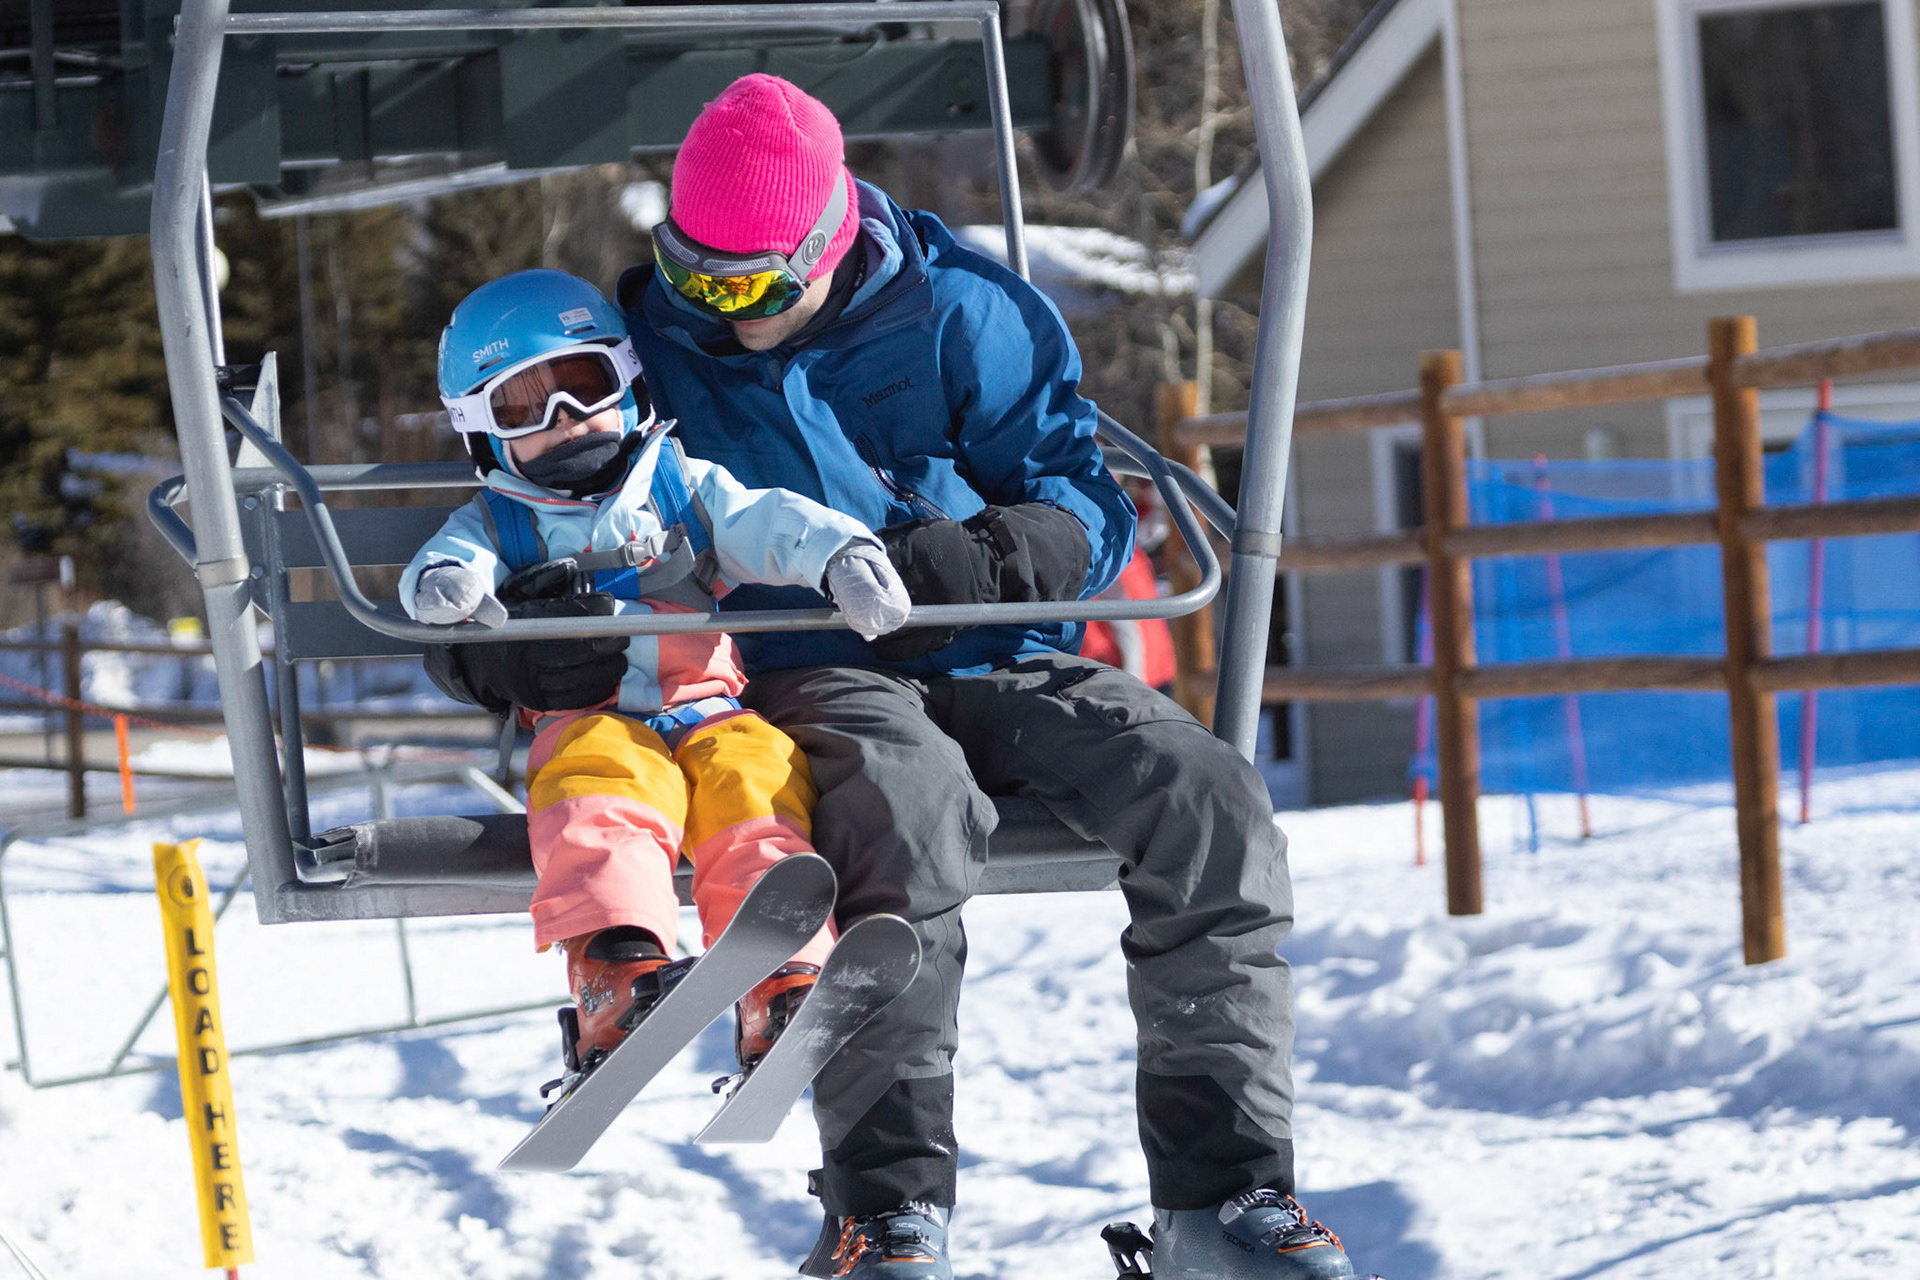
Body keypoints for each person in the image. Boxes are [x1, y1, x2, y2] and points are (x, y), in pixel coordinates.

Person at [430, 78, 1354, 1280]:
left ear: (824, 241)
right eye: (693, 274)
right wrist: (509, 648)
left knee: (1209, 797)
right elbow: (525, 506)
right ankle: (887, 1209)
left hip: (1002, 643)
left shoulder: (962, 308)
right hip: (807, 665)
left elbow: (1080, 489)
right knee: (900, 816)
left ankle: (1223, 1197)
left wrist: (1004, 551)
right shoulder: (652, 344)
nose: (721, 310)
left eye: (751, 283)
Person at [404, 268, 913, 1085]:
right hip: (589, 715)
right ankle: (617, 962)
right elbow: (448, 564)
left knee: (759, 782)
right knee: (600, 790)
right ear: (481, 432)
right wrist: (449, 589)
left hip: (707, 708)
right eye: (522, 408)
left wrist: (840, 556)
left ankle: (778, 976)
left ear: (627, 381)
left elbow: (771, 521)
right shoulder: (501, 520)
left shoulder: (680, 486)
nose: (563, 421)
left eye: (581, 386)